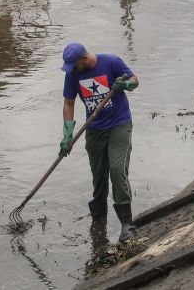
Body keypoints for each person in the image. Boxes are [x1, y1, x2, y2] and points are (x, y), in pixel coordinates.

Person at [60, 42, 140, 242]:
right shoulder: (72, 74)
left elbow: (134, 79)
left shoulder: (110, 62)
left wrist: (127, 85)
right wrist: (67, 132)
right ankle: (99, 219)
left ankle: (127, 224)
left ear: (84, 59)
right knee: (99, 174)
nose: (72, 71)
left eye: (74, 66)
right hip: (94, 128)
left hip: (119, 124)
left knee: (117, 168)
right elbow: (69, 102)